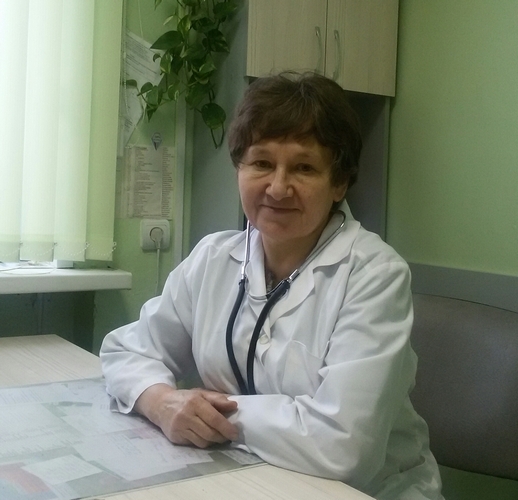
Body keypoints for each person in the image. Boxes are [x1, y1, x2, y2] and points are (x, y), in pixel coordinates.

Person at [100, 72, 444, 500]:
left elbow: (344, 445)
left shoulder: (374, 274)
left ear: (339, 183)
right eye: (261, 163)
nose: (278, 188)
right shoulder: (213, 258)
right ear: (239, 169)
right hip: (248, 478)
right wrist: (161, 402)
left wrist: (209, 412)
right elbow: (128, 351)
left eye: (304, 168)